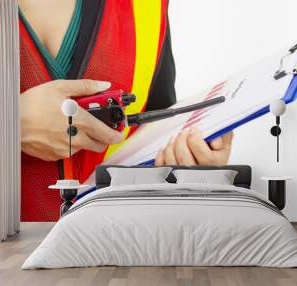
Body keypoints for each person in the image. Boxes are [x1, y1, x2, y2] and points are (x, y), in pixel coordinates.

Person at [18, 0, 233, 221]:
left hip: (124, 240)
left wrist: (193, 163)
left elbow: (157, 138)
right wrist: (7, 123)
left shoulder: (147, 6)